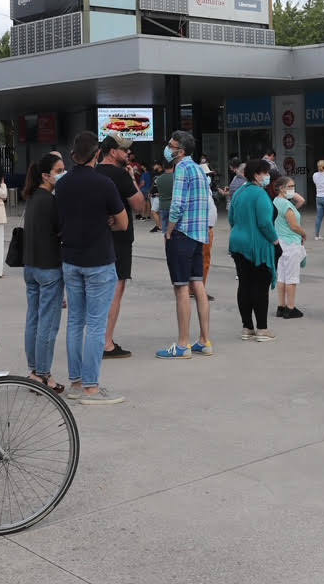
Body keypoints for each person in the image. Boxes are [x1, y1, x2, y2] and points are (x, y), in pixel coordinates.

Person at [56, 131, 129, 403]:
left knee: (75, 321)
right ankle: (91, 387)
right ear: (97, 154)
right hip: (99, 260)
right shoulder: (104, 183)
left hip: (71, 259)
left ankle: (76, 383)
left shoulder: (62, 184)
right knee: (96, 325)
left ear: (74, 155)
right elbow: (123, 222)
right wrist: (107, 221)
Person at [157, 131, 214, 358]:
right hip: (198, 235)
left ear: (180, 151)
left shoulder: (181, 168)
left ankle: (182, 345)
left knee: (181, 288)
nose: (168, 148)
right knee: (197, 284)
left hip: (181, 234)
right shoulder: (199, 169)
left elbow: (178, 204)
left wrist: (169, 230)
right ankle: (204, 340)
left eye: (171, 145)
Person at [96, 133, 146, 359]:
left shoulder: (93, 172)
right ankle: (106, 342)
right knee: (116, 290)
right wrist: (132, 179)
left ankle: (94, 338)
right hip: (119, 241)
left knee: (95, 292)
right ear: (113, 152)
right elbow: (139, 205)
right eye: (124, 150)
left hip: (94, 240)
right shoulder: (120, 175)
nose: (128, 153)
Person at [22, 153, 66, 390]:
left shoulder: (32, 198)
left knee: (33, 319)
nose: (62, 173)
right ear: (46, 175)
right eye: (59, 170)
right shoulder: (51, 201)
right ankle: (44, 373)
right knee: (48, 324)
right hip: (49, 268)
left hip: (30, 266)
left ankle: (34, 371)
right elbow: (62, 230)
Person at [227, 161, 280, 341]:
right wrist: (276, 241)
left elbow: (231, 218)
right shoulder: (260, 194)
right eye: (266, 173)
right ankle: (262, 329)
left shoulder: (239, 192)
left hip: (237, 243)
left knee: (245, 284)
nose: (268, 177)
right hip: (257, 245)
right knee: (260, 286)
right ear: (257, 174)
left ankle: (247, 327)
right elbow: (265, 223)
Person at [272, 175, 306, 320]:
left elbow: (301, 201)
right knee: (291, 277)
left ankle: (281, 306)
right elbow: (294, 226)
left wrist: (289, 191)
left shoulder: (277, 201)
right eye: (290, 187)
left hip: (280, 243)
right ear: (281, 188)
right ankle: (290, 308)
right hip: (291, 243)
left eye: (293, 187)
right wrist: (304, 233)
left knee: (282, 276)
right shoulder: (286, 205)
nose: (293, 190)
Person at [154, 158, 175, 235]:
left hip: (163, 206)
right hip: (174, 206)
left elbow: (159, 192)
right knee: (174, 231)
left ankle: (167, 245)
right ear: (173, 166)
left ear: (163, 166)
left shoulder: (158, 179)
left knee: (165, 230)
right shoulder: (176, 178)